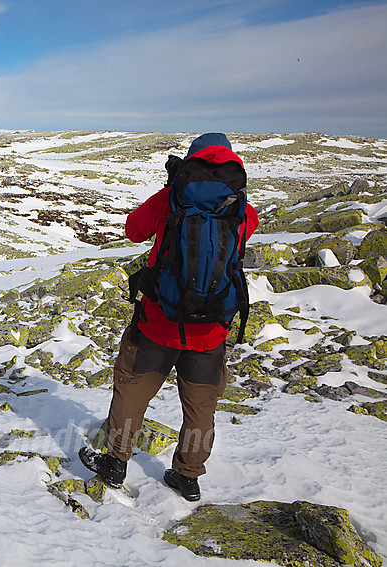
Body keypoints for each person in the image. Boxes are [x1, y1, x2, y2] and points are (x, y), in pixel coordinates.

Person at [79, 133, 259, 502]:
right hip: (210, 329)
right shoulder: (242, 207)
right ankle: (188, 476)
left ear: (190, 162)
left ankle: (115, 462)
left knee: (132, 391)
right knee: (200, 406)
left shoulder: (171, 198)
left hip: (158, 321)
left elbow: (133, 230)